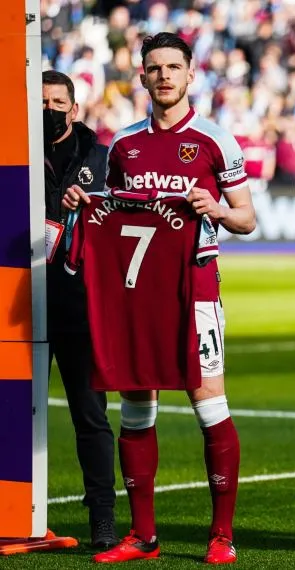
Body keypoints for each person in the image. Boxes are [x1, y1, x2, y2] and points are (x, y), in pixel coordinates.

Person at [62, 32, 257, 564]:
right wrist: (82, 202)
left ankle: (222, 535)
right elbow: (110, 210)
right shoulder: (123, 145)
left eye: (174, 66)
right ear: (142, 77)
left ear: (190, 74)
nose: (165, 75)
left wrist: (215, 208)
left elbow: (247, 218)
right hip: (135, 294)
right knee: (135, 407)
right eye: (155, 68)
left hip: (194, 290)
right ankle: (143, 535)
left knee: (207, 402)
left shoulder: (216, 139)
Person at [42, 70, 118, 550]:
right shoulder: (11, 153)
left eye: (55, 102)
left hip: (77, 302)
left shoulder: (102, 158)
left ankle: (103, 518)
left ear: (74, 108)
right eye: (40, 101)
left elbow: (122, 216)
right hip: (16, 303)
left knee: (90, 415)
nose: (47, 110)